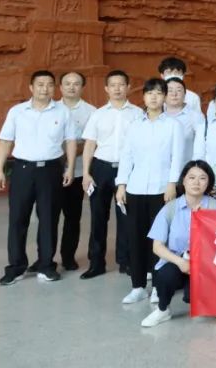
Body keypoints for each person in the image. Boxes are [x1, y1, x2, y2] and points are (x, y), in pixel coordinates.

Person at [0, 70, 75, 286]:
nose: (45, 89)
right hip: (23, 170)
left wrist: (69, 168)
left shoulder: (63, 112)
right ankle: (16, 267)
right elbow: (5, 141)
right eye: (40, 84)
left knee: (49, 218)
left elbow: (70, 141)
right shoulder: (17, 112)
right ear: (31, 87)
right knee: (18, 219)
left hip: (51, 170)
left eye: (49, 84)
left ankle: (46, 265)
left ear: (54, 88)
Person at [116, 77, 187, 304]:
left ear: (164, 97)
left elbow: (177, 157)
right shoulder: (135, 125)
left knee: (160, 240)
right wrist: (121, 184)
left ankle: (158, 286)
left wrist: (172, 183)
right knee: (135, 238)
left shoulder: (174, 125)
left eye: (158, 93)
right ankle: (138, 286)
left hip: (161, 189)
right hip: (135, 188)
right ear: (143, 97)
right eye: (149, 93)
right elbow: (127, 156)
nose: (154, 97)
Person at [140, 160, 216, 328]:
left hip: (205, 263)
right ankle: (163, 310)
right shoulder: (170, 208)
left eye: (202, 178)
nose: (196, 182)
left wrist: (206, 220)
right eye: (191, 177)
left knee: (195, 297)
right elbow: (157, 246)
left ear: (208, 183)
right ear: (183, 180)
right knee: (165, 275)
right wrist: (181, 262)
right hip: (178, 261)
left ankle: (202, 298)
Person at [80, 69, 142, 279]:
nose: (117, 89)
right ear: (106, 89)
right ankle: (96, 263)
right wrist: (86, 173)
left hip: (128, 170)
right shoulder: (98, 114)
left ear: (128, 87)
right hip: (101, 168)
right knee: (98, 217)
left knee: (126, 216)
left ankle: (126, 261)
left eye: (121, 85)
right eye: (113, 85)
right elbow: (90, 145)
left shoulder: (137, 114)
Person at [57, 71, 94, 271]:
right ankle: (44, 258)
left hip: (78, 172)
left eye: (76, 83)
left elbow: (90, 143)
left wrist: (66, 152)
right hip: (51, 173)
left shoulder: (91, 112)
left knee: (72, 217)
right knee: (47, 217)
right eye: (67, 83)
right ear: (60, 87)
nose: (71, 87)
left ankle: (68, 256)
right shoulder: (52, 108)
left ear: (82, 87)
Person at [164, 78, 204, 153]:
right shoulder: (159, 116)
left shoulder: (195, 116)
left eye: (179, 90)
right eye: (170, 90)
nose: (174, 94)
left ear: (185, 94)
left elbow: (202, 143)